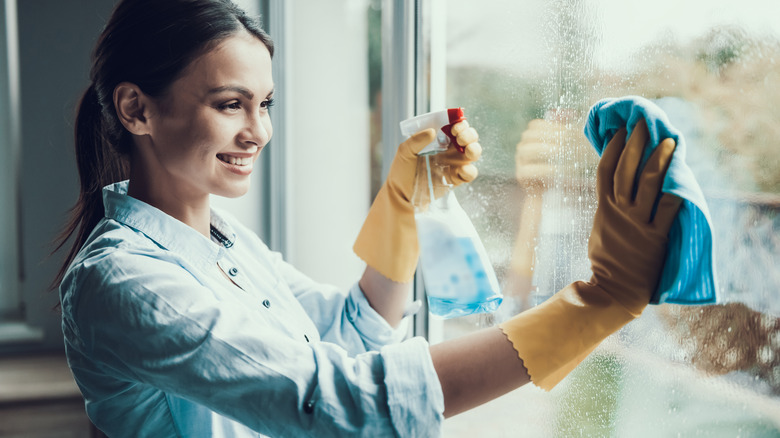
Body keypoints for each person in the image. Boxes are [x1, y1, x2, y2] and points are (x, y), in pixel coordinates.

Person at [55, 0, 681, 436]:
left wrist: (403, 201)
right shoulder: (124, 282)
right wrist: (596, 302)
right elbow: (341, 404)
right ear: (137, 109)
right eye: (230, 105)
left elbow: (349, 332)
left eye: (265, 104)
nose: (259, 132)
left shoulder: (221, 240)